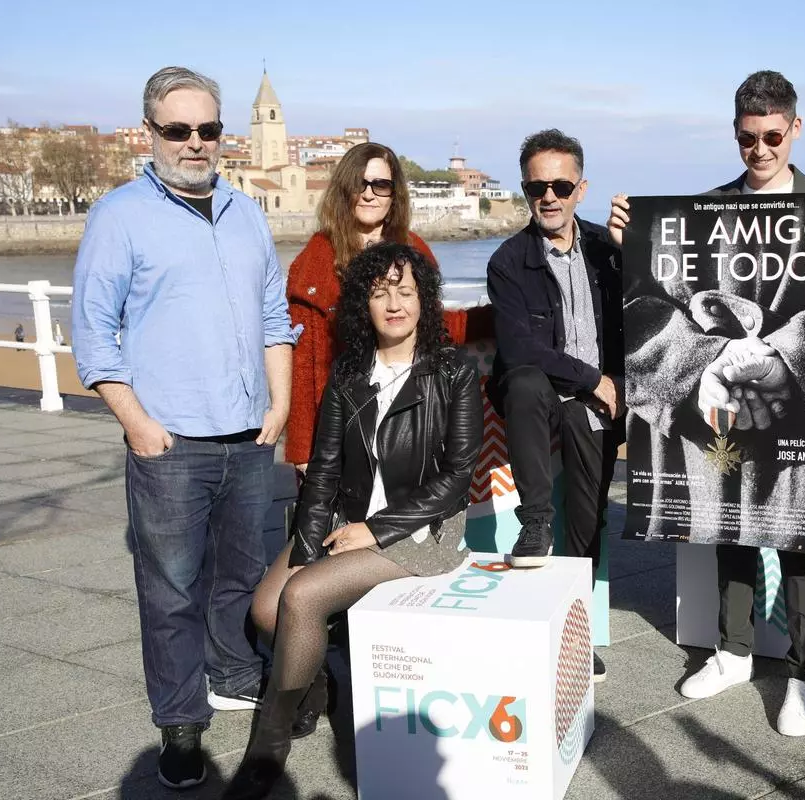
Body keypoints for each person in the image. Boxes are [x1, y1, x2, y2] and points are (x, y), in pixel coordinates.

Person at [607, 70, 805, 736]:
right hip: (715, 401)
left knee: (804, 539)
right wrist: (632, 248)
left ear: (796, 127)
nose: (760, 150)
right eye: (747, 138)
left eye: (772, 136)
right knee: (725, 527)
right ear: (734, 133)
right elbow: (653, 295)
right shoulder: (704, 210)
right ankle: (733, 650)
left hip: (801, 406)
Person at [71, 66, 297, 791]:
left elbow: (273, 316)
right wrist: (137, 423)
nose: (195, 142)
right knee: (170, 588)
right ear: (152, 132)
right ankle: (179, 722)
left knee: (240, 574)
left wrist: (280, 405)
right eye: (178, 129)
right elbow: (92, 333)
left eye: (208, 129)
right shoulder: (119, 216)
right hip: (168, 441)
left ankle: (232, 673)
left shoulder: (247, 212)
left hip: (249, 435)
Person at [223, 243, 482, 799]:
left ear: (424, 300)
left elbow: (458, 478)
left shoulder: (453, 370)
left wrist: (377, 530)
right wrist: (307, 546)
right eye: (380, 293)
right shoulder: (348, 373)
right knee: (266, 608)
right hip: (348, 515)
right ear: (364, 304)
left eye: (405, 292)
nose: (394, 304)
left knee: (302, 598)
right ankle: (314, 684)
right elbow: (323, 470)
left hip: (421, 532)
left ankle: (267, 748)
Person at [486, 129, 623, 682]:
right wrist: (591, 378)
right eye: (536, 187)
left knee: (589, 523)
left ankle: (574, 636)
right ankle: (535, 520)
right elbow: (521, 348)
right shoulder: (508, 261)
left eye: (561, 186)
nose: (549, 197)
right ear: (525, 189)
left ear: (580, 189)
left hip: (598, 402)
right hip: (546, 392)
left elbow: (654, 310)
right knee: (521, 381)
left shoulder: (607, 250)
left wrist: (630, 251)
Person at [284, 142, 438, 477]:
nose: (369, 194)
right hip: (338, 421)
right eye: (360, 184)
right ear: (345, 190)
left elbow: (436, 329)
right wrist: (301, 447)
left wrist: (496, 318)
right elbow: (303, 358)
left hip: (409, 417)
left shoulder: (414, 249)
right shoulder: (315, 260)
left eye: (380, 185)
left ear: (394, 194)